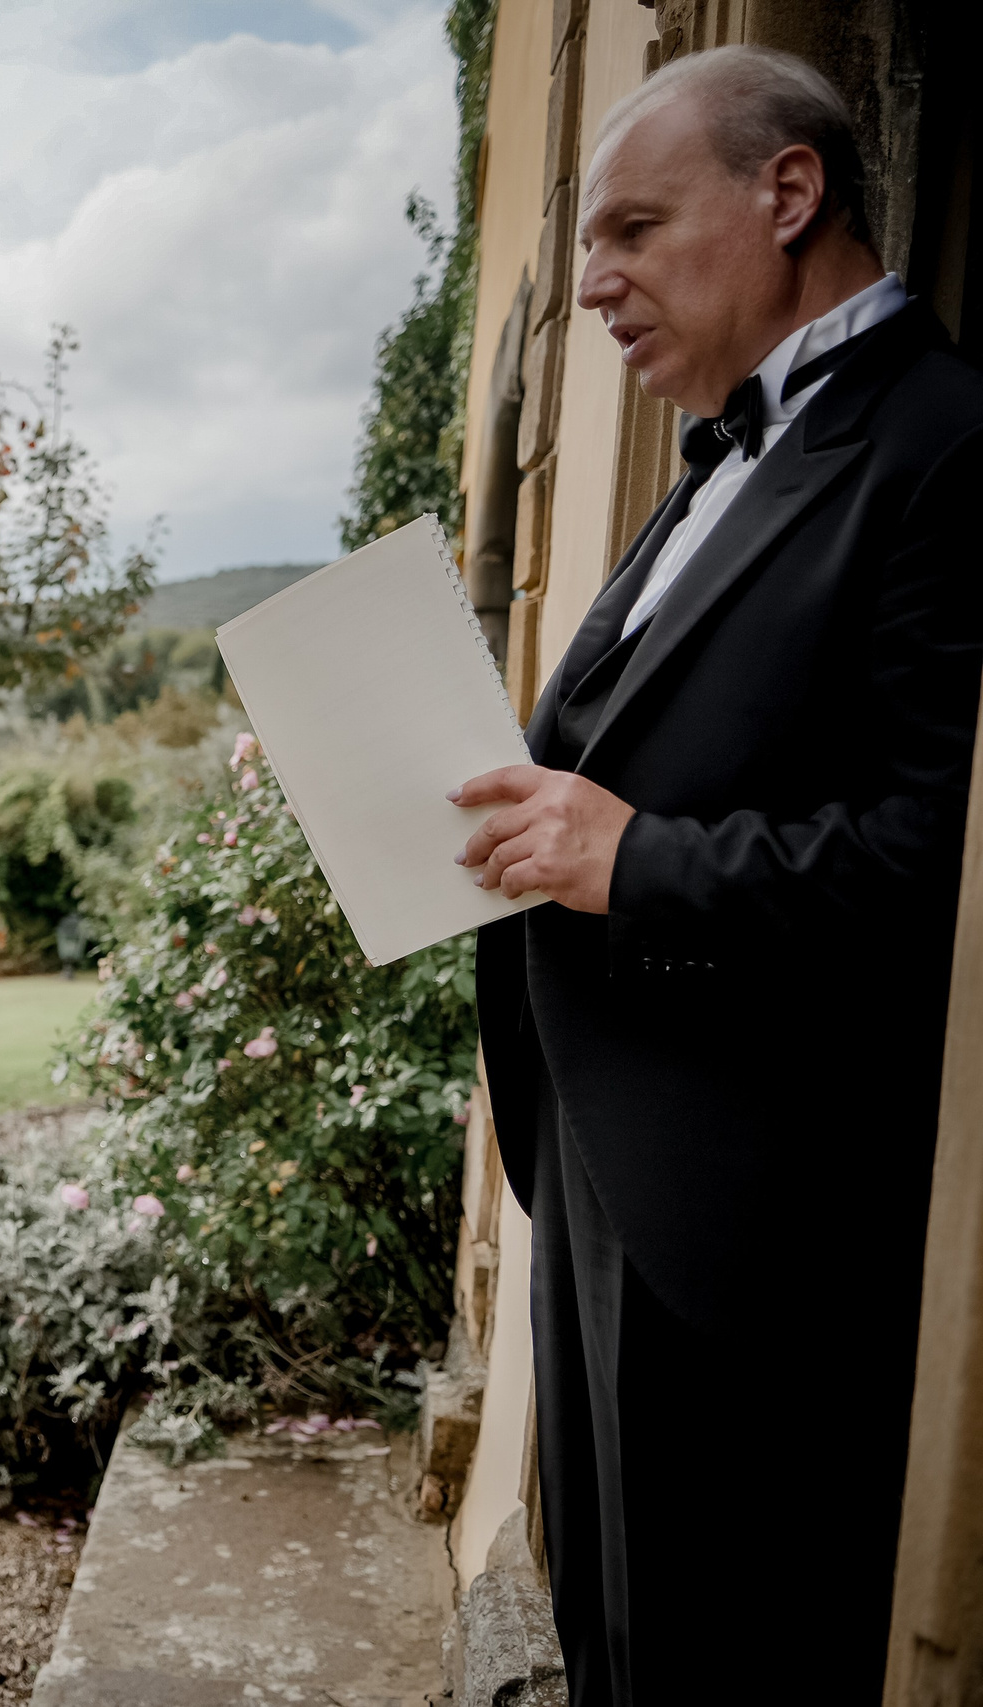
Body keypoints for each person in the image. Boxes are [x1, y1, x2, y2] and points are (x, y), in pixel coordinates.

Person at [455, 47, 983, 1705]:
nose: (591, 284)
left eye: (634, 230)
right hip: (597, 1158)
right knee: (615, 1647)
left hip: (760, 1219)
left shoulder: (943, 440)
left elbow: (939, 856)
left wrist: (637, 858)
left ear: (791, 192)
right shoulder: (714, 450)